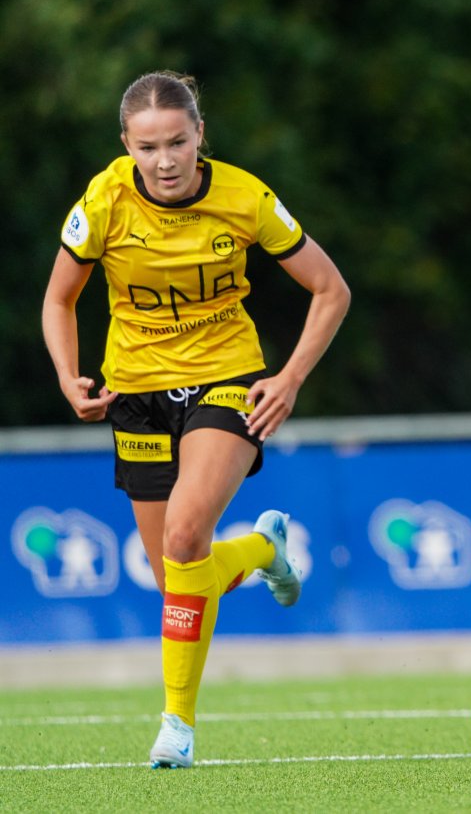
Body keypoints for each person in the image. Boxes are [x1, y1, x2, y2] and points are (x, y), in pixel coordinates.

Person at [40, 71, 350, 769]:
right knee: (179, 574)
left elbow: (331, 289)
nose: (166, 160)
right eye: (148, 147)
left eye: (178, 141)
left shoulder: (246, 197)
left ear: (200, 135)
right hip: (136, 395)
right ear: (127, 145)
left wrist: (290, 376)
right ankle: (264, 551)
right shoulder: (105, 199)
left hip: (227, 379)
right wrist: (68, 374)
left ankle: (176, 726)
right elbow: (59, 300)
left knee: (185, 536)